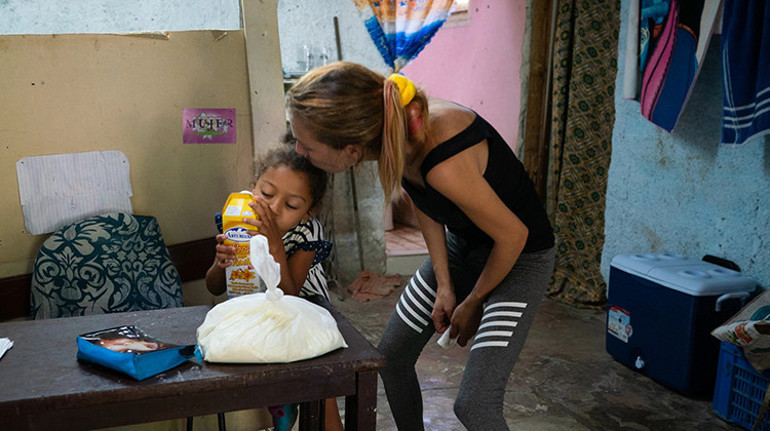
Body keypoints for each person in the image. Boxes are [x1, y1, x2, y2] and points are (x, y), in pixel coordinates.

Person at [286, 61, 555, 430]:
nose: (299, 150)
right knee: (391, 359)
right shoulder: (397, 131)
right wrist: (444, 284)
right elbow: (428, 204)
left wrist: (472, 301)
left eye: (307, 144)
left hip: (520, 258)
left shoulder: (442, 158)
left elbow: (514, 236)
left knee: (476, 405)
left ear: (350, 150)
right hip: (464, 245)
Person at [205, 137, 342, 431]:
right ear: (254, 186)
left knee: (317, 382)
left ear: (308, 211)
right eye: (266, 193)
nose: (275, 208)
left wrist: (275, 244)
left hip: (305, 312)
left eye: (291, 204)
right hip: (255, 312)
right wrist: (221, 263)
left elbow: (290, 296)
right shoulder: (237, 217)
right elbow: (214, 287)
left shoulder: (307, 232)